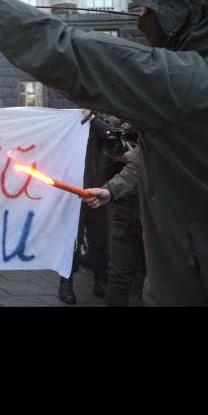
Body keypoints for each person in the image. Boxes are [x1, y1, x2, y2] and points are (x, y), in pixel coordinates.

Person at [0, 0, 208, 307]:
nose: (141, 16)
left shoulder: (190, 84)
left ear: (182, 14)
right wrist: (115, 187)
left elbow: (68, 51)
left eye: (151, 8)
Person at [59, 111, 126, 305]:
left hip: (96, 191)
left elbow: (112, 137)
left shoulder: (101, 128)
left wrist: (93, 120)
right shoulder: (71, 127)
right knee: (73, 241)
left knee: (98, 240)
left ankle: (100, 283)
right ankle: (66, 284)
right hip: (73, 193)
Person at [86, 148, 145, 308]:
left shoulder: (157, 136)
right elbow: (132, 171)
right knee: (119, 278)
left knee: (159, 281)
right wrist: (109, 190)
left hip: (154, 220)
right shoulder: (145, 138)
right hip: (125, 216)